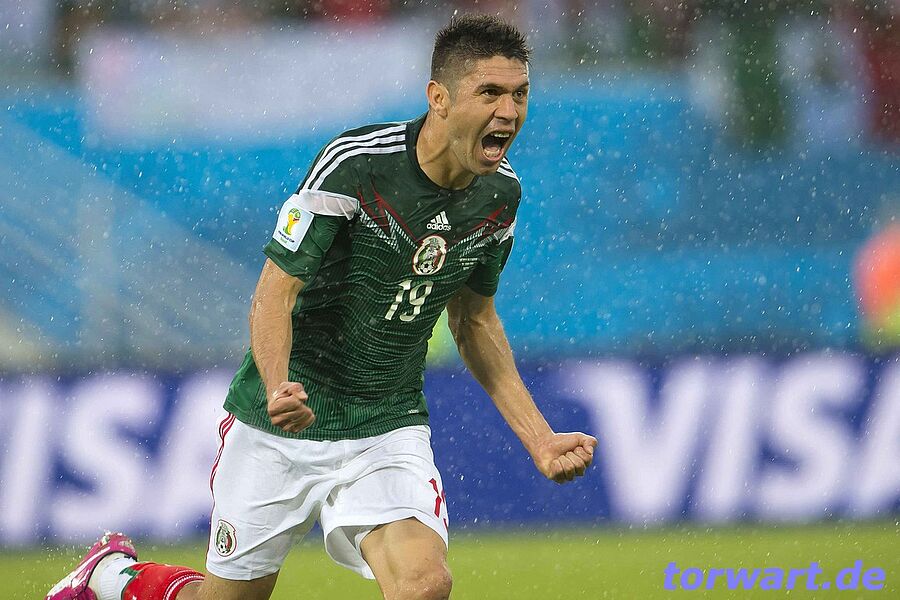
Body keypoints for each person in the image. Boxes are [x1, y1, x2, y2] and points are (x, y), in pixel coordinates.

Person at [47, 13, 597, 600]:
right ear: (439, 97)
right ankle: (111, 576)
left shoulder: (500, 195)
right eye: (489, 93)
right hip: (282, 420)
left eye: (519, 94)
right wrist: (277, 384)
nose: (509, 112)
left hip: (385, 426)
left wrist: (539, 437)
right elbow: (274, 291)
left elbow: (475, 319)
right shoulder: (357, 164)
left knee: (423, 586)